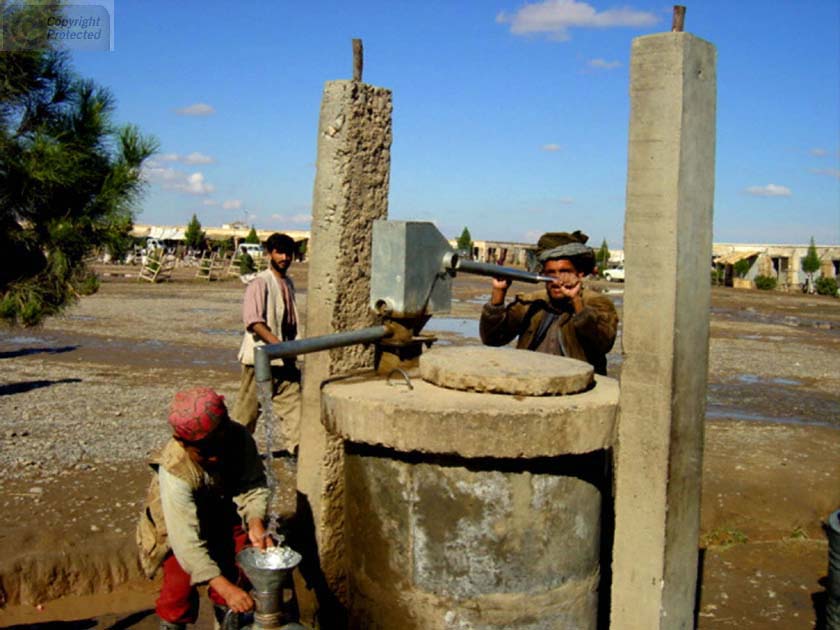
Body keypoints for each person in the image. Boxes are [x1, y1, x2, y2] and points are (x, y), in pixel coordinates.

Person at [135, 387, 274, 629]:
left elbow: (253, 483)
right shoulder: (175, 471)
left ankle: (228, 620)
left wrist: (255, 520)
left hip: (222, 510)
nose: (214, 458)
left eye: (218, 447)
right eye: (203, 452)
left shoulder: (238, 437)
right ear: (181, 442)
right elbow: (185, 542)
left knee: (234, 575)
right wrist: (223, 586)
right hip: (178, 527)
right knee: (178, 594)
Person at [479, 231, 618, 375]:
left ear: (579, 274)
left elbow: (603, 344)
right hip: (533, 384)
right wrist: (498, 293)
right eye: (551, 273)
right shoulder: (531, 303)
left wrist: (576, 301)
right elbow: (492, 339)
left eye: (564, 272)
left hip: (577, 389)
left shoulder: (597, 303)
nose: (557, 280)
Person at [231, 233, 301, 451]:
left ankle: (299, 451)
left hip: (285, 359)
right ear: (270, 254)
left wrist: (290, 350)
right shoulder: (260, 283)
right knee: (246, 414)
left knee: (295, 409)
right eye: (279, 252)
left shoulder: (288, 283)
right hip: (260, 359)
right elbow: (254, 322)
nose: (284, 257)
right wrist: (276, 345)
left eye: (288, 253)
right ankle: (231, 457)